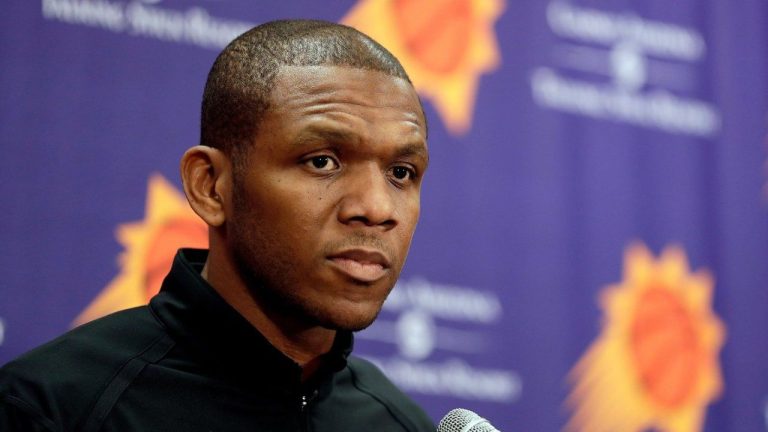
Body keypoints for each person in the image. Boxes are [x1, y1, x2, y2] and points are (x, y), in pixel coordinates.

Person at [0, 19, 433, 431]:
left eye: (401, 172)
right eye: (322, 161)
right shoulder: (50, 410)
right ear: (210, 186)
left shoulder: (401, 424)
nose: (377, 208)